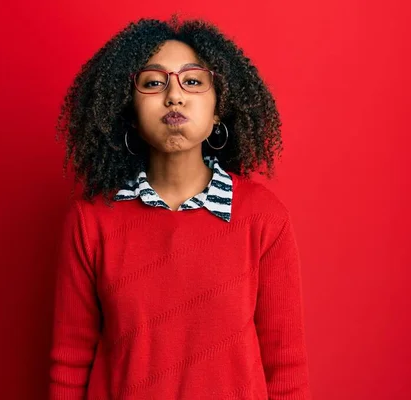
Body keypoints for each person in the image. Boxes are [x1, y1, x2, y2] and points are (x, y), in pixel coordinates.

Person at [50, 15, 312, 400]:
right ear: (129, 112)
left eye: (193, 81)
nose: (174, 96)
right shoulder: (91, 221)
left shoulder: (263, 218)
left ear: (219, 107)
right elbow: (69, 364)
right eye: (154, 83)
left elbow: (286, 368)